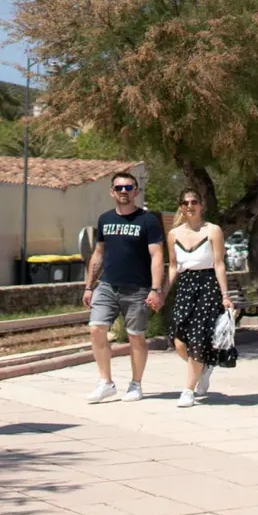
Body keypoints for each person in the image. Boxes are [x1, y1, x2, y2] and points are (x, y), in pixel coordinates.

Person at [83, 173, 166, 404]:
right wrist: (89, 286)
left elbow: (156, 255)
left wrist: (155, 289)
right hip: (108, 285)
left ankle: (136, 384)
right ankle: (106, 383)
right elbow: (98, 253)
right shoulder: (105, 219)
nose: (123, 191)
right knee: (96, 329)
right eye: (119, 187)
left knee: (135, 337)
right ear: (112, 192)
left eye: (128, 187)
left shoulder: (147, 221)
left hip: (138, 288)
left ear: (136, 192)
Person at [165, 188, 237, 408]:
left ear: (201, 205)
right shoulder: (174, 234)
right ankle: (203, 367)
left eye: (194, 202)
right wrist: (161, 292)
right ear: (180, 206)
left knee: (197, 338)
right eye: (185, 202)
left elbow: (219, 264)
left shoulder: (213, 230)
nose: (189, 206)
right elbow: (174, 266)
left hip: (207, 285)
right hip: (185, 287)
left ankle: (188, 390)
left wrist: (225, 295)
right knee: (178, 340)